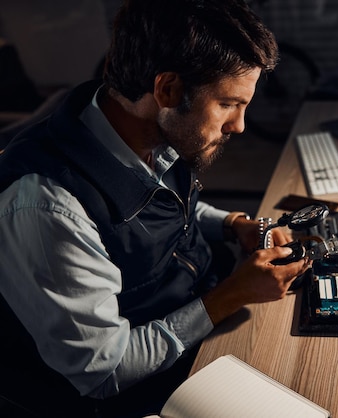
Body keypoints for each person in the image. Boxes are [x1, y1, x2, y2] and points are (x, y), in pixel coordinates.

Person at [0, 0, 310, 417]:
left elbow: (166, 204)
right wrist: (230, 297)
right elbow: (102, 372)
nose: (239, 126)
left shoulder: (139, 124)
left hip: (197, 306)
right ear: (167, 89)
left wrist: (234, 223)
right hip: (134, 385)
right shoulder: (48, 208)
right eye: (228, 104)